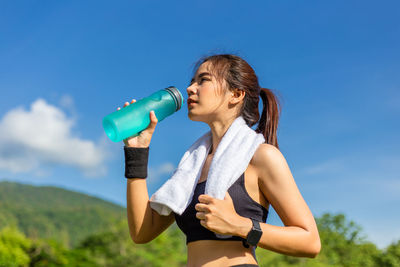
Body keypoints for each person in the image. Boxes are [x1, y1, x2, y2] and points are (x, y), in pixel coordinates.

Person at [120, 54, 321, 267]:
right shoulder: (190, 167)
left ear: (235, 94)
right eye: (191, 82)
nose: (190, 88)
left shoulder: (262, 156)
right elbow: (142, 232)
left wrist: (239, 225)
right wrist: (137, 152)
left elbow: (310, 242)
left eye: (203, 80)